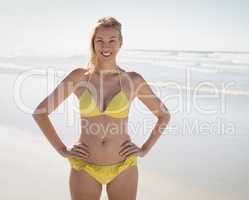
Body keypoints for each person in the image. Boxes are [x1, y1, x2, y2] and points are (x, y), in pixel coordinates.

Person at [32, 16, 171, 200]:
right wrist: (62, 149)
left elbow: (164, 115)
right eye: (100, 41)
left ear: (120, 43)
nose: (106, 46)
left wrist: (145, 149)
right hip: (85, 167)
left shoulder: (133, 80)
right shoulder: (79, 77)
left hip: (124, 166)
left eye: (112, 40)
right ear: (93, 43)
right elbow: (40, 113)